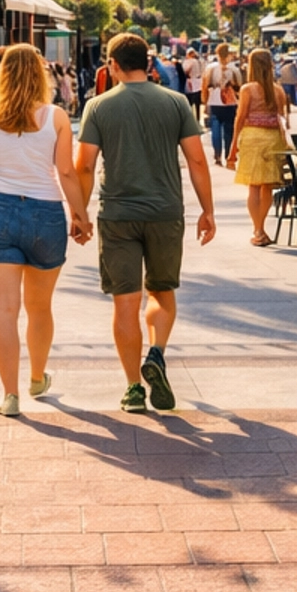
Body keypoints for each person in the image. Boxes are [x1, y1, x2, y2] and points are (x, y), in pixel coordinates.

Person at [75, 32, 215, 413]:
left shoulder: (98, 107)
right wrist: (208, 210)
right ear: (149, 63)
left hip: (118, 214)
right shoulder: (175, 103)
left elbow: (84, 165)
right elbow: (197, 161)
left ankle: (133, 389)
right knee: (162, 292)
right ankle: (156, 352)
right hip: (165, 212)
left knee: (125, 303)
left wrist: (80, 213)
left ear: (113, 65)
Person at [0, 43, 92, 417]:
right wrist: (80, 216)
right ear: (39, 74)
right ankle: (36, 377)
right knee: (39, 306)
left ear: (3, 75)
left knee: (3, 309)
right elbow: (66, 172)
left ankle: (10, 394)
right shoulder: (56, 117)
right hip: (45, 215)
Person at [229, 45, 291, 246]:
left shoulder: (248, 89)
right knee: (267, 187)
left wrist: (232, 149)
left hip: (252, 137)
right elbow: (282, 119)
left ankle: (258, 230)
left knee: (253, 187)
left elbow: (240, 118)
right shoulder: (278, 90)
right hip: (273, 138)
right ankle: (261, 227)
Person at [202, 43, 240, 167]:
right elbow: (239, 86)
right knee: (229, 130)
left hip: (214, 101)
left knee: (215, 129)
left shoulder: (210, 68)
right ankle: (228, 154)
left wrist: (205, 102)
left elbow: (205, 86)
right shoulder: (234, 69)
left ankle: (217, 155)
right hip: (230, 102)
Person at [183, 47, 203, 117]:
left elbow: (185, 71)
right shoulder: (199, 61)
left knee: (189, 102)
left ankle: (189, 117)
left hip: (190, 83)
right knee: (197, 103)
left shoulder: (189, 61)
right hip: (198, 83)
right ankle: (198, 117)